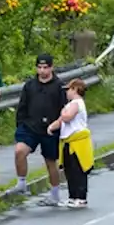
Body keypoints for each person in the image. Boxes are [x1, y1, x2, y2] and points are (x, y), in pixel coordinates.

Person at [12, 53, 67, 205]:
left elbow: (64, 110)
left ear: (51, 68)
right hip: (30, 126)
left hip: (50, 129)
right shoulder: (30, 85)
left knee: (50, 161)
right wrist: (20, 125)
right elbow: (22, 107)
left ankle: (55, 194)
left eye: (45, 68)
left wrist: (58, 127)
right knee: (19, 151)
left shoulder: (59, 86)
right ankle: (21, 183)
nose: (42, 71)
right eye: (40, 67)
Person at [48, 78, 93, 208]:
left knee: (77, 169)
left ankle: (81, 197)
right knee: (69, 170)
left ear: (75, 90)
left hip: (77, 142)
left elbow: (66, 117)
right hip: (68, 141)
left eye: (68, 89)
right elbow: (61, 120)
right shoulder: (70, 104)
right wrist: (52, 127)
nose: (66, 92)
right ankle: (73, 196)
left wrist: (62, 112)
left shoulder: (76, 103)